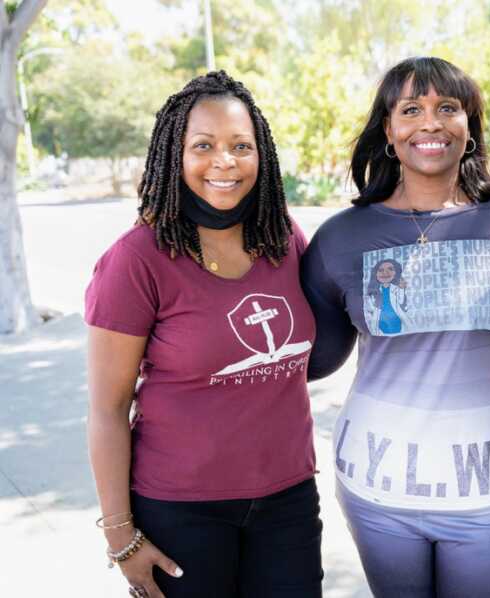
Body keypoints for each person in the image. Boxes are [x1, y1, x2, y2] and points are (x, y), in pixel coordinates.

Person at [301, 56, 490, 598]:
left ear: (469, 129)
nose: (430, 122)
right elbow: (313, 359)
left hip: (489, 487)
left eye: (448, 108)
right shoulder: (340, 238)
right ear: (389, 133)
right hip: (377, 485)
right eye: (411, 109)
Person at [85, 71, 322, 598]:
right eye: (204, 146)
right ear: (175, 154)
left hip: (288, 501)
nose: (225, 161)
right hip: (180, 512)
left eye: (242, 145)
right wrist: (121, 535)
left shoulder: (282, 236)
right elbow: (107, 409)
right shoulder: (136, 261)